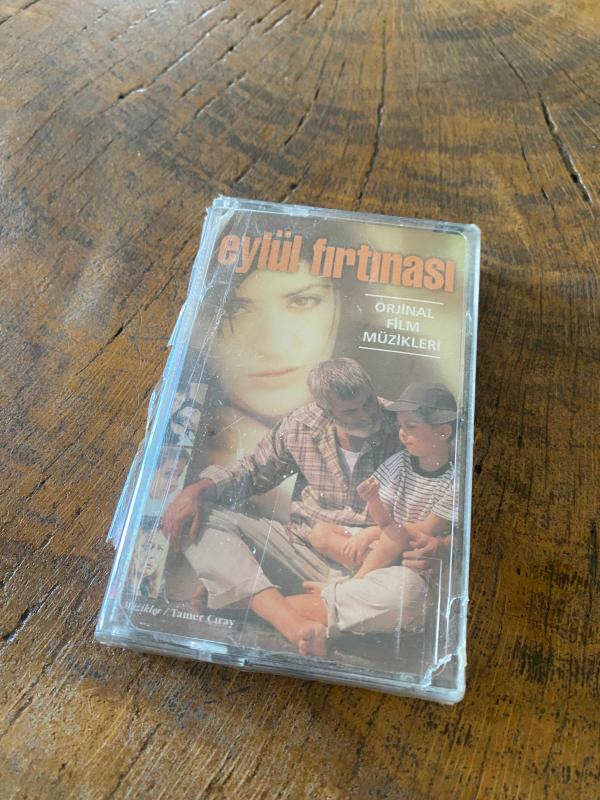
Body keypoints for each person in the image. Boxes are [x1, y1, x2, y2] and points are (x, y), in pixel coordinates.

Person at [163, 358, 428, 654]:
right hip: (299, 551)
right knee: (199, 517)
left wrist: (420, 542)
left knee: (410, 593)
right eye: (351, 411)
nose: (367, 414)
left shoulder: (403, 428)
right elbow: (253, 471)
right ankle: (295, 620)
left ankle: (253, 604)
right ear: (325, 410)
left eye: (368, 402)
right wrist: (196, 490)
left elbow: (432, 500)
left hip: (373, 564)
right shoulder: (300, 426)